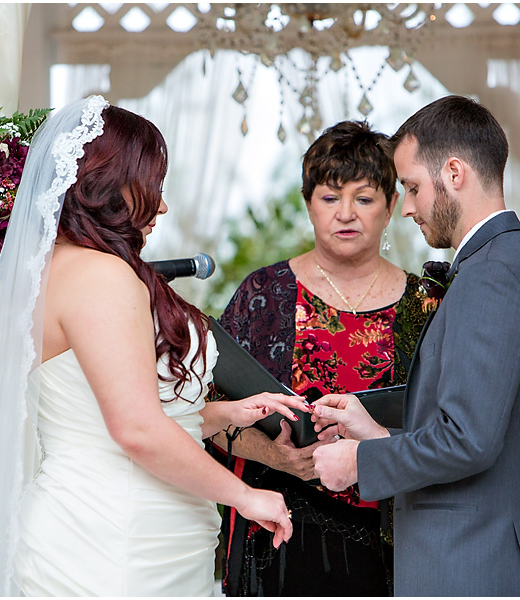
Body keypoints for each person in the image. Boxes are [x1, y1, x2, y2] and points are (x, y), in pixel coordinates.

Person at [0, 96, 307, 596]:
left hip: (126, 532)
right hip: (113, 542)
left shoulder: (53, 271)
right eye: (152, 185)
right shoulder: (102, 277)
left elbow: (101, 417)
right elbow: (136, 431)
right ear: (108, 185)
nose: (161, 205)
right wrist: (246, 496)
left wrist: (226, 416)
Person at [311, 95, 520, 596]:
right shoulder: (510, 263)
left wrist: (357, 463)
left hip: (471, 569)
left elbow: (468, 440)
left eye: (411, 187)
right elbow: (484, 429)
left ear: (454, 173)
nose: (405, 207)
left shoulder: (491, 275)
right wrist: (376, 435)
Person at [211, 121, 433, 596]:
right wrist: (275, 454)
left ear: (392, 206)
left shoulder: (426, 304)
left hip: (395, 536)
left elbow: (448, 427)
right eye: (330, 198)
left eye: (365, 198)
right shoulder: (263, 294)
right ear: (308, 203)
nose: (346, 214)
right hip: (280, 531)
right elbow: (206, 416)